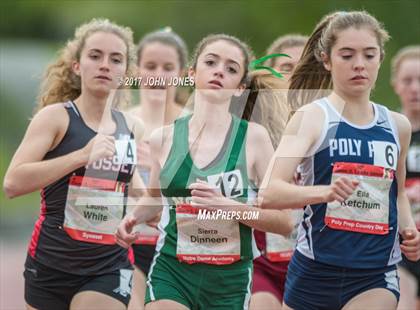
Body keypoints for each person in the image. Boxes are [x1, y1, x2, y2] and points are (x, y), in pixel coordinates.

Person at [116, 33, 293, 310]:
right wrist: (132, 218)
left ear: (240, 87)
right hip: (172, 271)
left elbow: (284, 222)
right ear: (192, 73)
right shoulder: (163, 138)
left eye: (231, 68)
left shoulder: (254, 139)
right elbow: (153, 200)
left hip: (229, 281)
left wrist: (228, 207)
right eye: (211, 62)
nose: (219, 71)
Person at [260, 11, 420, 310]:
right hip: (314, 271)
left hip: (375, 275)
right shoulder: (311, 118)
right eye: (347, 55)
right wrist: (323, 192)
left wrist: (409, 232)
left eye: (369, 55)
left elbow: (395, 195)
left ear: (380, 59)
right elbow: (270, 192)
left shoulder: (397, 126)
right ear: (326, 60)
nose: (359, 64)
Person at [3, 18, 144, 310]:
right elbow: (13, 183)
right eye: (95, 56)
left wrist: (139, 216)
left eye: (115, 59)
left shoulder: (131, 127)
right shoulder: (55, 118)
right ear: (77, 66)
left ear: (125, 73)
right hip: (51, 263)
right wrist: (81, 156)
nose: (105, 65)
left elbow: (137, 195)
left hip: (108, 264)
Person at [126, 28, 189, 310]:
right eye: (150, 66)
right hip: (128, 244)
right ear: (137, 70)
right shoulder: (120, 122)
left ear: (183, 73)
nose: (158, 75)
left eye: (168, 67)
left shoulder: (197, 125)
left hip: (180, 248)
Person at [250, 35, 307, 310]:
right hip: (262, 262)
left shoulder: (332, 129)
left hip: (314, 264)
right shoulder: (253, 129)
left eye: (304, 67)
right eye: (286, 68)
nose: (295, 76)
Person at [391, 46, 420, 310]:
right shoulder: (386, 131)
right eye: (408, 81)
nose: (415, 88)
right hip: (404, 244)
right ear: (395, 85)